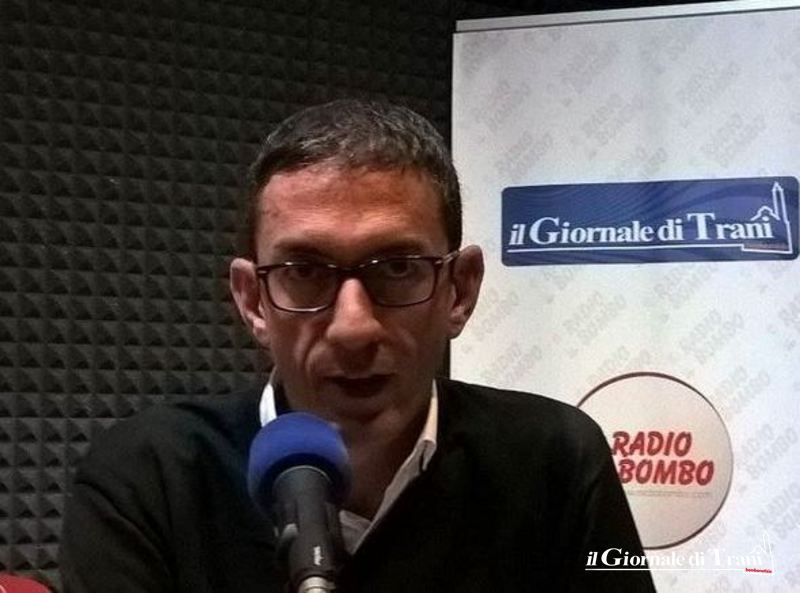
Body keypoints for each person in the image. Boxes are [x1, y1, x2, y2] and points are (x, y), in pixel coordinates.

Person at [60, 99, 655, 592]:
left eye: (397, 268)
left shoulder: (558, 458)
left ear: (460, 290)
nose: (353, 327)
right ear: (252, 301)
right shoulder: (146, 478)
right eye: (304, 271)